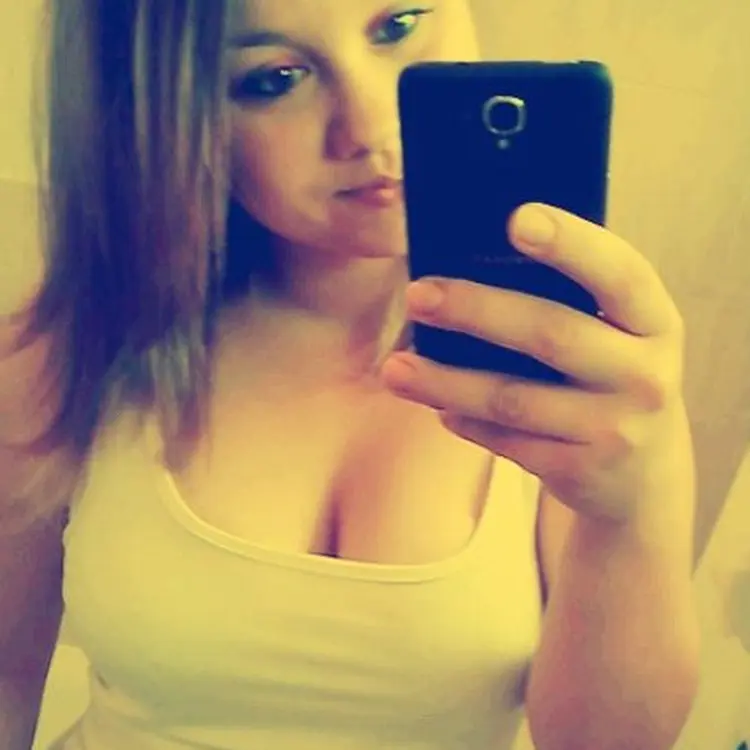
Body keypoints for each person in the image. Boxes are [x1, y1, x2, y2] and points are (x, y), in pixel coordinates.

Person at [0, 1, 701, 749]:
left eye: (398, 26)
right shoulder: (67, 351)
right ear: (167, 115)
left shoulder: (583, 371)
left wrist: (633, 509)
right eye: (276, 78)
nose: (371, 126)